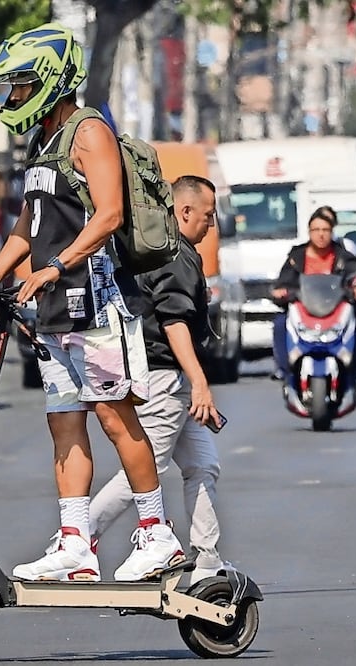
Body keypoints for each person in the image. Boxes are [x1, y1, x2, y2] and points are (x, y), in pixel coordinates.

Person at [0, 22, 184, 582]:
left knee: (117, 418)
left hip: (94, 299)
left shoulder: (90, 131)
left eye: (19, 85)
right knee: (64, 424)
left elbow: (109, 214)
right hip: (53, 307)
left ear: (49, 80)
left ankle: (156, 534)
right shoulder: (43, 141)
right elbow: (29, 220)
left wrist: (56, 265)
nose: (11, 97)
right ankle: (76, 545)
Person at [89, 175, 229, 585]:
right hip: (164, 378)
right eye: (208, 216)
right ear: (184, 212)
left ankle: (208, 559)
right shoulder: (176, 256)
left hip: (169, 381)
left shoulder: (164, 249)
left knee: (203, 465)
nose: (211, 225)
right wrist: (199, 382)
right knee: (143, 469)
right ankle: (81, 538)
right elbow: (174, 323)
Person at [271, 206, 356, 379]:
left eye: (325, 230)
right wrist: (281, 291)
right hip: (304, 309)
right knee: (280, 323)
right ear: (309, 232)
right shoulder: (297, 256)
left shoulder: (343, 256)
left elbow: (355, 273)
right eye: (316, 230)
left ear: (332, 231)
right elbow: (284, 280)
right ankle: (284, 369)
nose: (321, 234)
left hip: (335, 309)